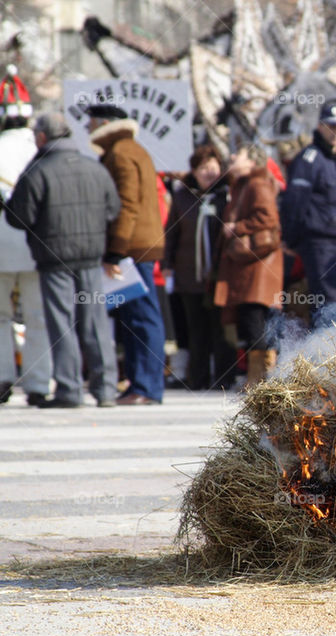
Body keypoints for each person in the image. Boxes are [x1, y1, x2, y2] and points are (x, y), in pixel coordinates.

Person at [5, 113, 120, 409]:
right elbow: (113, 208)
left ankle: (69, 390)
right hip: (91, 257)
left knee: (62, 323)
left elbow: (18, 216)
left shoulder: (38, 170)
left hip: (54, 259)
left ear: (42, 138)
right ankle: (106, 390)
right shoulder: (93, 167)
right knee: (95, 322)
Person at [87, 104, 166, 406]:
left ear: (104, 123)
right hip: (137, 244)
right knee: (135, 317)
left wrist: (116, 250)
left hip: (133, 247)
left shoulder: (121, 152)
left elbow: (127, 205)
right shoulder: (128, 149)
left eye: (90, 123)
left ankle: (146, 388)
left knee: (143, 317)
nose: (88, 129)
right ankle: (139, 385)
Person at [163, 145, 234, 390]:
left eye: (212, 168)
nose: (208, 173)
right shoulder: (183, 196)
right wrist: (167, 264)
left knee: (220, 329)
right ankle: (198, 378)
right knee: (196, 329)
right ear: (194, 171)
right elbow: (171, 232)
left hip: (218, 275)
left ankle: (223, 379)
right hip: (188, 274)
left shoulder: (227, 195)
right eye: (202, 168)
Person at [0, 66, 51, 406]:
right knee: (37, 316)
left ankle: (2, 378)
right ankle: (37, 382)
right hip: (37, 246)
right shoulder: (40, 149)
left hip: (2, 247)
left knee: (1, 317)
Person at [214, 144, 283, 387]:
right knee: (248, 323)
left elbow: (268, 218)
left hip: (258, 267)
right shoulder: (244, 183)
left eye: (238, 154)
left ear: (252, 161)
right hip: (248, 266)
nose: (233, 156)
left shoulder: (256, 183)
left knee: (255, 323)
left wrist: (236, 228)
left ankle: (262, 381)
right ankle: (257, 379)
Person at [280, 100, 336, 320]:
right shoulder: (310, 158)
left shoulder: (332, 160)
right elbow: (294, 200)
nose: (335, 132)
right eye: (331, 126)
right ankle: (326, 353)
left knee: (334, 303)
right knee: (328, 305)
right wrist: (290, 239)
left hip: (335, 245)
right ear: (320, 126)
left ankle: (332, 351)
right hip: (319, 244)